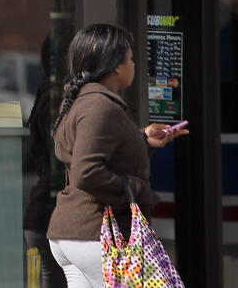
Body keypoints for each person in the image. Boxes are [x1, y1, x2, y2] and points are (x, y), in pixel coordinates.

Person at [46, 24, 187, 288]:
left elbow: (98, 154)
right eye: (131, 59)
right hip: (94, 233)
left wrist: (143, 140)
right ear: (117, 67)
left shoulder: (83, 101)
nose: (134, 64)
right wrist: (136, 189)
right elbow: (87, 172)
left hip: (75, 234)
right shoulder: (99, 106)